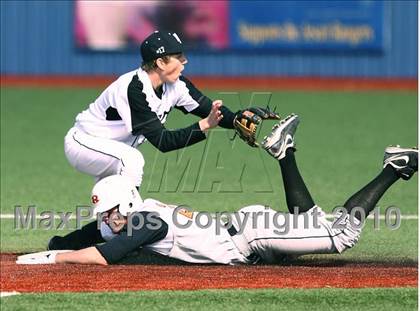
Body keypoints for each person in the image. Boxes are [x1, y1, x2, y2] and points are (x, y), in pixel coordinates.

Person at [18, 114, 418, 265]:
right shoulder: (131, 215)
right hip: (247, 232)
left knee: (341, 234)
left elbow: (108, 254)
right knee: (309, 222)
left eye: (110, 213)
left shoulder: (144, 221)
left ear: (126, 204)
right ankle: (284, 153)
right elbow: (89, 235)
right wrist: (56, 243)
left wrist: (57, 260)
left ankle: (393, 168)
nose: (108, 220)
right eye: (105, 215)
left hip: (250, 236)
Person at [65, 31, 239, 189]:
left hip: (114, 151)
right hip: (84, 143)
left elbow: (214, 110)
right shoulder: (133, 89)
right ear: (161, 62)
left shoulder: (178, 86)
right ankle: (131, 219)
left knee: (112, 214)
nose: (184, 61)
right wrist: (205, 124)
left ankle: (125, 219)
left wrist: (239, 118)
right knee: (132, 161)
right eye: (178, 56)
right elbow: (164, 141)